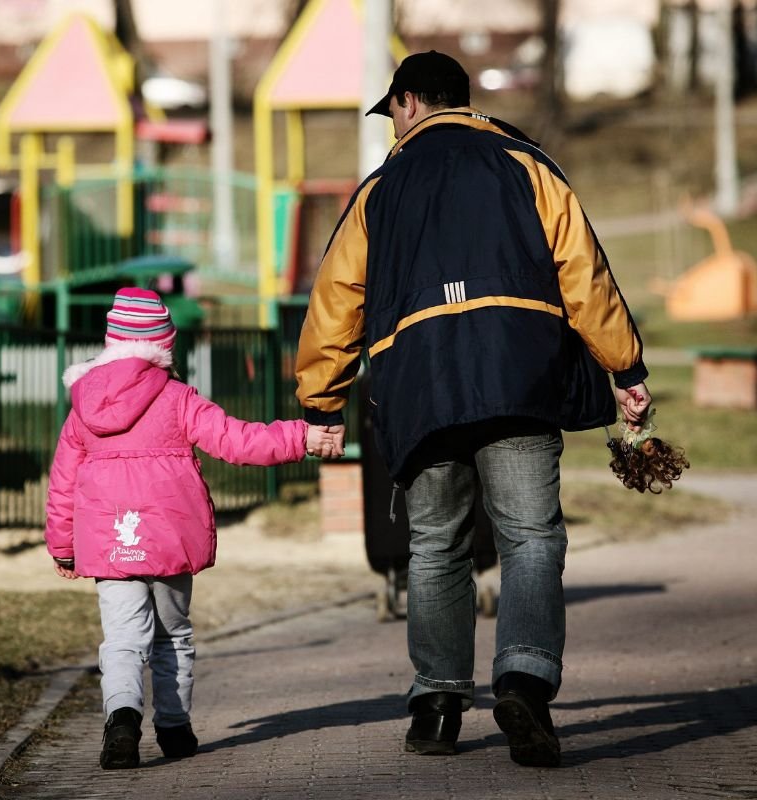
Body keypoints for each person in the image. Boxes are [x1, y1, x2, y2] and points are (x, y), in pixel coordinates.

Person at [294, 51, 652, 767]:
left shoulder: (382, 188)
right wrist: (625, 365)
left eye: (392, 111)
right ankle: (523, 677)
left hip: (418, 383)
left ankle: (435, 706)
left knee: (436, 546)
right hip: (517, 373)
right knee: (531, 537)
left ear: (409, 103)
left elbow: (337, 300)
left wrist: (320, 401)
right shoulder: (528, 164)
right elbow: (582, 270)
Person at [45, 287, 334, 769]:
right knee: (172, 634)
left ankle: (121, 720)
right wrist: (301, 436)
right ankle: (174, 728)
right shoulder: (178, 399)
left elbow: (62, 480)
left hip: (110, 540)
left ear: (113, 341)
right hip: (170, 537)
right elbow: (237, 440)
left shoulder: (83, 406)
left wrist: (63, 546)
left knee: (121, 639)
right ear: (163, 346)